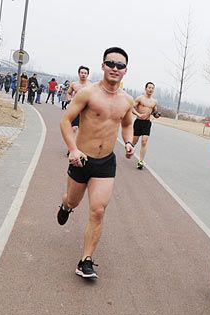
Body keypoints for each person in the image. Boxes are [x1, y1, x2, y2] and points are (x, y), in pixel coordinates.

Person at [57, 46, 135, 279]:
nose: (115, 68)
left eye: (120, 65)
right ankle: (66, 206)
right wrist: (72, 149)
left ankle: (86, 260)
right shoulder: (88, 93)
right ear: (102, 66)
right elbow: (65, 120)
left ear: (125, 71)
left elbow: (127, 124)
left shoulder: (126, 100)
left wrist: (129, 143)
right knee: (73, 200)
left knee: (98, 210)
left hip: (105, 164)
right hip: (81, 159)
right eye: (110, 63)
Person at [132, 82, 160, 169]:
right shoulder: (140, 98)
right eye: (149, 87)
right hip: (138, 122)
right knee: (134, 141)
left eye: (152, 88)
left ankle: (140, 161)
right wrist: (138, 114)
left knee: (144, 141)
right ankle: (130, 147)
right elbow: (131, 107)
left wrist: (156, 115)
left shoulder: (154, 101)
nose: (151, 89)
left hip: (147, 123)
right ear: (145, 88)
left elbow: (154, 112)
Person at [67, 66, 92, 134]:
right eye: (82, 73)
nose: (83, 74)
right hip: (75, 108)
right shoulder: (74, 84)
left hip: (86, 109)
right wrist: (70, 100)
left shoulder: (91, 85)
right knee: (74, 128)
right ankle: (73, 143)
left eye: (85, 73)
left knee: (84, 129)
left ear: (87, 75)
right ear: (79, 73)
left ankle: (80, 143)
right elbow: (69, 93)